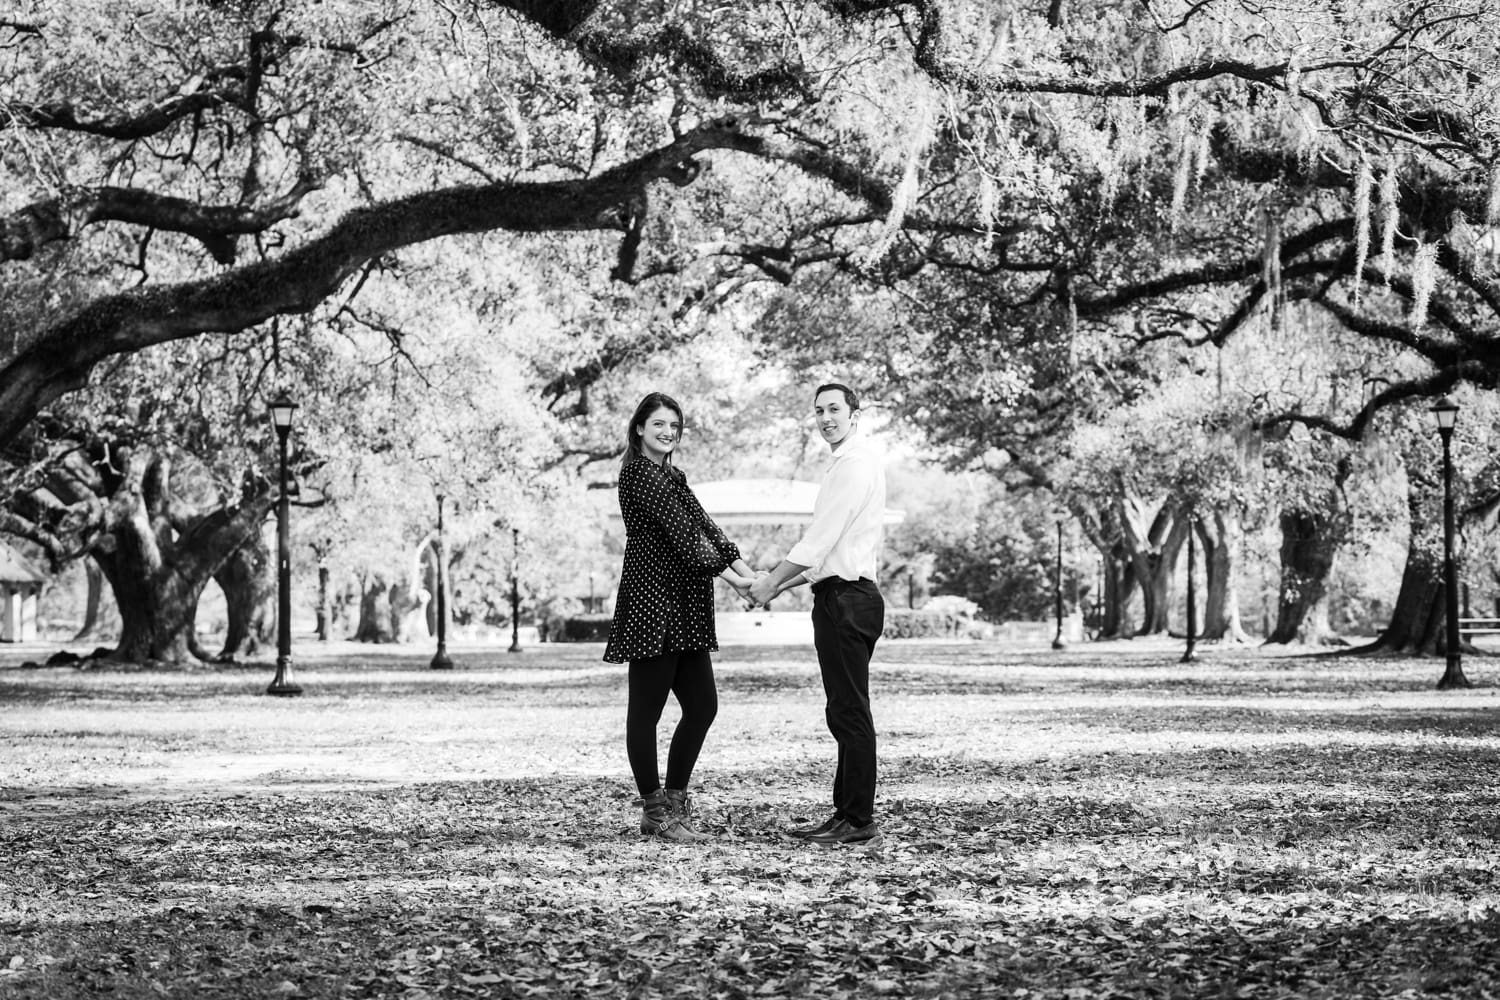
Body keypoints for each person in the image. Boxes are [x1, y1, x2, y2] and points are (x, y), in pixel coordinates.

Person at [604, 391, 758, 843]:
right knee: (646, 712)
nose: (668, 432)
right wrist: (739, 584)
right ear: (639, 429)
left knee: (703, 706)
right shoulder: (638, 475)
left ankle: (675, 802)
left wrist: (749, 572)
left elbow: (706, 527)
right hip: (653, 602)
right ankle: (654, 809)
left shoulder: (672, 475)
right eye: (658, 424)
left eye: (674, 425)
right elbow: (684, 539)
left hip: (686, 603)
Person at [749, 382, 886, 847]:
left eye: (834, 409)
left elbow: (819, 543)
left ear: (855, 414)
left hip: (848, 599)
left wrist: (768, 582)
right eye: (819, 411)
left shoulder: (853, 466)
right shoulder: (844, 465)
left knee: (850, 712)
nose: (826, 417)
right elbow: (820, 561)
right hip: (838, 593)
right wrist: (775, 585)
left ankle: (859, 821)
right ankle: (844, 815)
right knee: (841, 710)